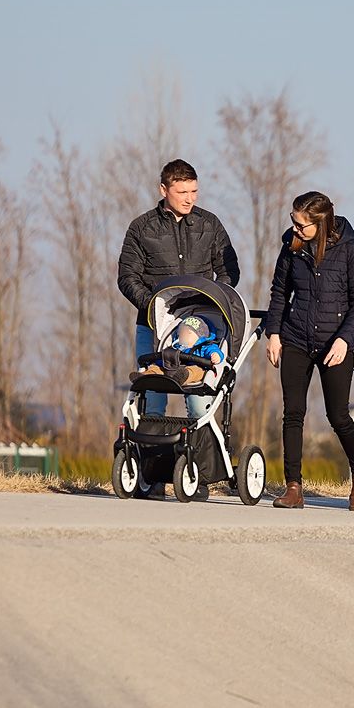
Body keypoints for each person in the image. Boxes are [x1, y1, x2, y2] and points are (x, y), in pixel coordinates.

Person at [118, 159, 239, 499]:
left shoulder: (210, 224)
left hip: (200, 329)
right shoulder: (141, 228)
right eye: (182, 191)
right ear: (164, 190)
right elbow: (127, 277)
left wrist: (214, 302)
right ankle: (152, 478)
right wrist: (155, 306)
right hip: (154, 326)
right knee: (152, 398)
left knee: (199, 401)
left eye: (194, 191)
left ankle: (195, 475)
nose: (189, 198)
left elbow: (229, 270)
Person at [264, 191, 354, 510]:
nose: (295, 230)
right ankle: (294, 488)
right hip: (296, 337)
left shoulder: (352, 250)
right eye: (293, 222)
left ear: (320, 223)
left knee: (338, 414)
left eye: (301, 225)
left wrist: (345, 339)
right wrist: (273, 332)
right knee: (293, 413)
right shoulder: (292, 247)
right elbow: (280, 293)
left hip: (335, 341)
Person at [130, 315, 223, 386]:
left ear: (199, 336)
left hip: (196, 369)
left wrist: (216, 355)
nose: (182, 336)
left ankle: (183, 376)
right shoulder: (176, 347)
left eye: (188, 333)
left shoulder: (205, 347)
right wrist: (157, 360)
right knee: (157, 368)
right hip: (172, 368)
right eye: (180, 333)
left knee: (196, 371)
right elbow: (164, 358)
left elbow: (215, 351)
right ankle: (145, 376)